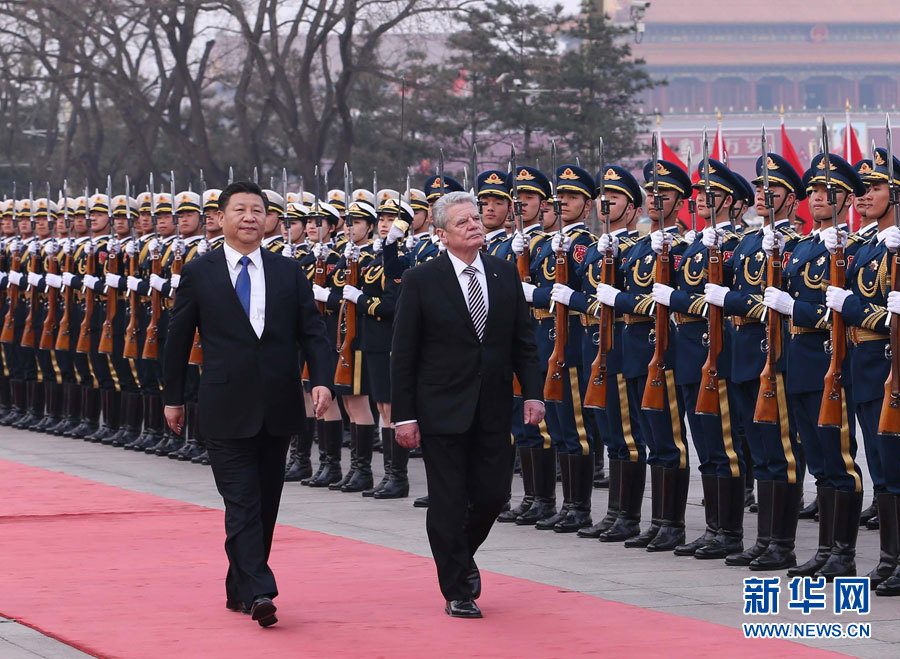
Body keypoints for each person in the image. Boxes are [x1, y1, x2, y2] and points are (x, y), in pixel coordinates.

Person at [163, 181, 333, 627]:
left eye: (258, 210)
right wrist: (173, 398)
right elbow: (178, 338)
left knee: (266, 502)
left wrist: (322, 381)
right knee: (241, 501)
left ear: (269, 218)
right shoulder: (200, 271)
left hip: (277, 404)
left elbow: (311, 331)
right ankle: (260, 589)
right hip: (224, 403)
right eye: (239, 210)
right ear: (219, 218)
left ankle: (240, 585)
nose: (250, 217)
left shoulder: (287, 270)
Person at [391, 190, 544, 619]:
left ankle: (459, 552)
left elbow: (523, 342)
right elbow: (403, 354)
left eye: (476, 219)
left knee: (493, 494)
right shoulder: (422, 280)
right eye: (463, 222)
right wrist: (405, 416)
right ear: (441, 234)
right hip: (441, 411)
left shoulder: (502, 273)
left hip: (494, 408)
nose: (475, 226)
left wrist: (532, 392)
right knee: (449, 499)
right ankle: (457, 588)